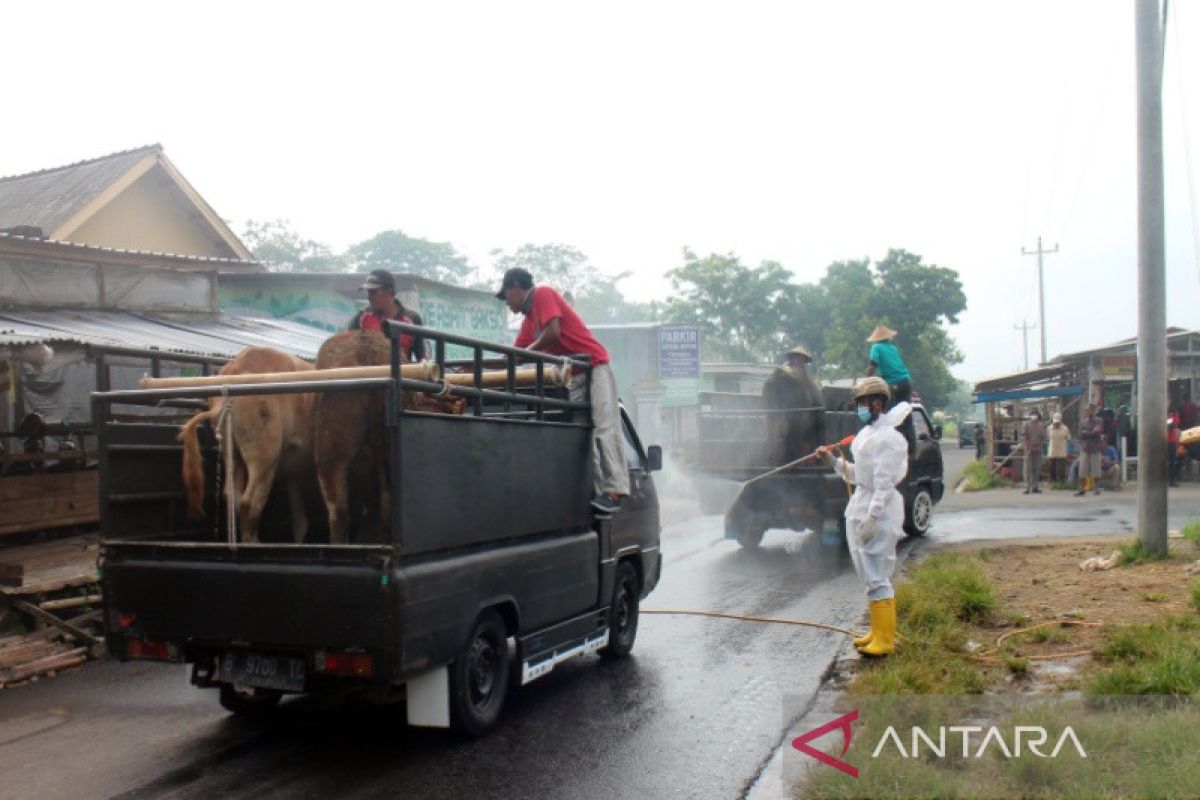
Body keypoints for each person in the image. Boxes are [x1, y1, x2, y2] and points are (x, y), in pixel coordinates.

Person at [496, 267, 629, 515]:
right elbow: (514, 356)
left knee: (604, 426)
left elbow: (553, 331)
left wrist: (530, 352)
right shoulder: (528, 323)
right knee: (581, 432)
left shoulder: (543, 294)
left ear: (516, 287)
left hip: (595, 366)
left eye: (506, 296)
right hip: (575, 376)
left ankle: (614, 490)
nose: (507, 303)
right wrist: (481, 365)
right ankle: (596, 489)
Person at [819, 377, 910, 658]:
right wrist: (834, 462)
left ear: (878, 403)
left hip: (879, 512)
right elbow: (860, 474)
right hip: (861, 504)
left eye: (862, 403)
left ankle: (885, 640)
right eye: (857, 403)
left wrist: (873, 516)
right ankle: (877, 631)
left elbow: (883, 484)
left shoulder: (891, 439)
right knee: (867, 574)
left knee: (878, 574)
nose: (859, 409)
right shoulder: (866, 435)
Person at [761, 345, 825, 465]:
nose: (796, 361)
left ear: (804, 362)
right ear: (790, 360)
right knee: (781, 445)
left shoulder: (811, 380)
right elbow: (769, 393)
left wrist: (808, 415)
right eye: (794, 358)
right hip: (784, 417)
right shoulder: (779, 375)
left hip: (805, 421)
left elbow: (817, 401)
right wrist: (779, 417)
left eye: (800, 359)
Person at [348, 269, 426, 362]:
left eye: (373, 292)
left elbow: (422, 359)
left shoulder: (412, 319)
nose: (368, 297)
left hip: (401, 375)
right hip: (370, 375)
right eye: (368, 292)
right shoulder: (361, 318)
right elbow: (347, 350)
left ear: (389, 292)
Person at [865, 324, 914, 454]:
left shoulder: (876, 347)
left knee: (888, 416)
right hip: (905, 383)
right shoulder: (893, 348)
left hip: (893, 385)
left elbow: (873, 365)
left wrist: (866, 380)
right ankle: (911, 449)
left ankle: (889, 449)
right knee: (906, 415)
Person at [1076, 404, 1104, 496]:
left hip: (1095, 448)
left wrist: (1086, 433)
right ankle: (1082, 489)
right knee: (1082, 470)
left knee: (1096, 470)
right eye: (1086, 410)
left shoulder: (1099, 421)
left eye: (1088, 410)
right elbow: (1080, 435)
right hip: (1085, 448)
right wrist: (1089, 434)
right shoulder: (1082, 422)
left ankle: (1096, 488)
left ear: (1093, 411)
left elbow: (1097, 432)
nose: (1087, 412)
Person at [1021, 409, 1046, 494]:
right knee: (1028, 468)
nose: (1033, 416)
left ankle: (1035, 487)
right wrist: (1030, 447)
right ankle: (1027, 487)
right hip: (1029, 449)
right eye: (1032, 414)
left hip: (1038, 449)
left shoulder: (1041, 425)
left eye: (1035, 414)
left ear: (1038, 415)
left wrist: (1039, 447)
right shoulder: (1026, 425)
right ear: (1029, 415)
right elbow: (1025, 437)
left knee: (1037, 468)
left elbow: (1043, 438)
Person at [1046, 412, 1071, 485]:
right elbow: (1048, 438)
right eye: (1055, 422)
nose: (1056, 424)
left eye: (1058, 422)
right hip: (1052, 450)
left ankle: (1062, 482)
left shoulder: (1065, 428)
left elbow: (1068, 438)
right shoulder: (1049, 428)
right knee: (1051, 468)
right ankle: (1053, 482)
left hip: (1062, 450)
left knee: (1061, 468)